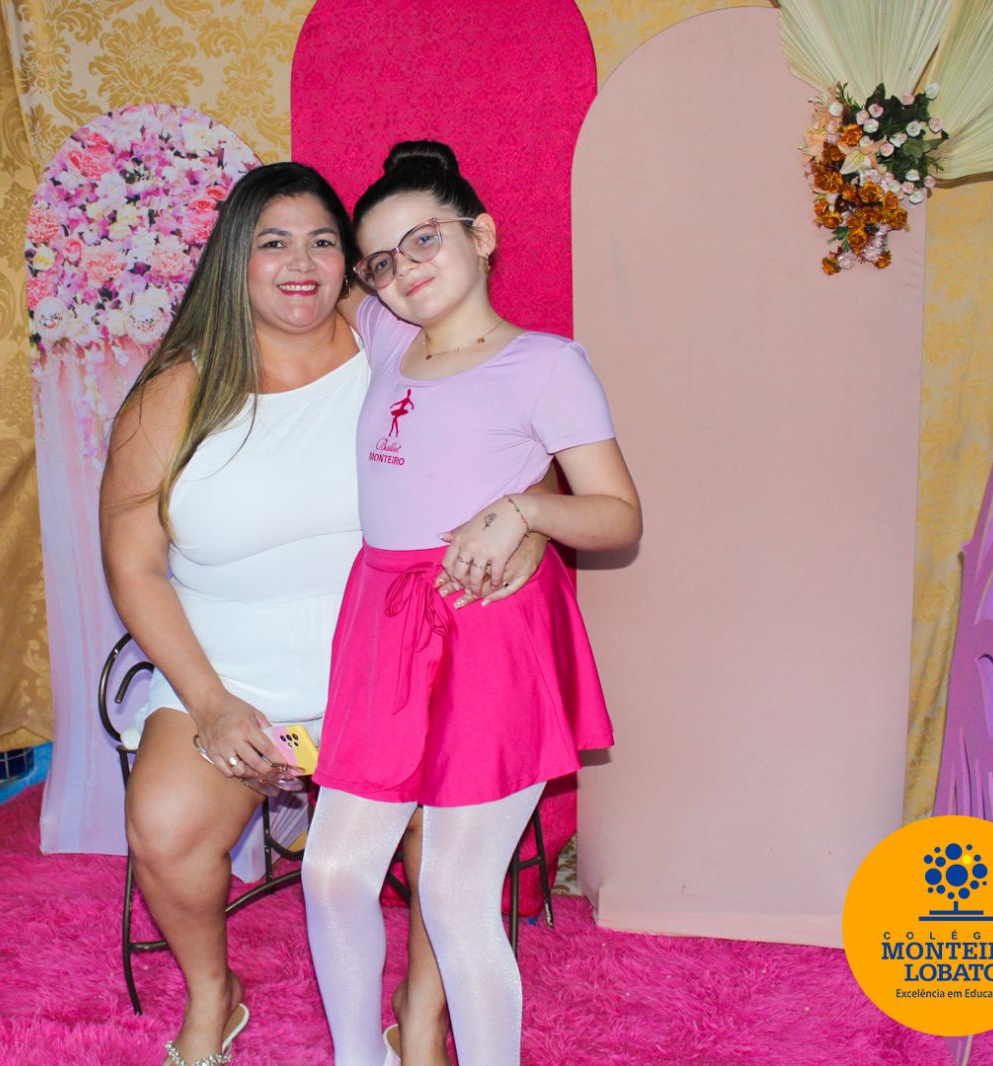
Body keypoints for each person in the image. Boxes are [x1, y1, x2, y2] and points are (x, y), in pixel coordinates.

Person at [99, 161, 552, 1066]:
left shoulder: (396, 342)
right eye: (273, 243)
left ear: (351, 261)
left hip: (390, 672)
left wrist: (526, 529)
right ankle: (213, 993)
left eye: (321, 242)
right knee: (166, 826)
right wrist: (211, 701)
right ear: (235, 259)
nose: (300, 264)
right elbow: (134, 563)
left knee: (445, 829)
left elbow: (510, 434)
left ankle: (419, 1013)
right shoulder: (175, 391)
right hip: (230, 676)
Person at [303, 140, 644, 1066]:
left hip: (489, 629)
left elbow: (617, 514)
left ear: (481, 235)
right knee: (331, 871)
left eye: (425, 240)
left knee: (456, 897)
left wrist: (526, 510)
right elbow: (304, 273)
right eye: (381, 260)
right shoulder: (383, 333)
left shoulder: (546, 365)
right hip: (383, 623)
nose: (404, 271)